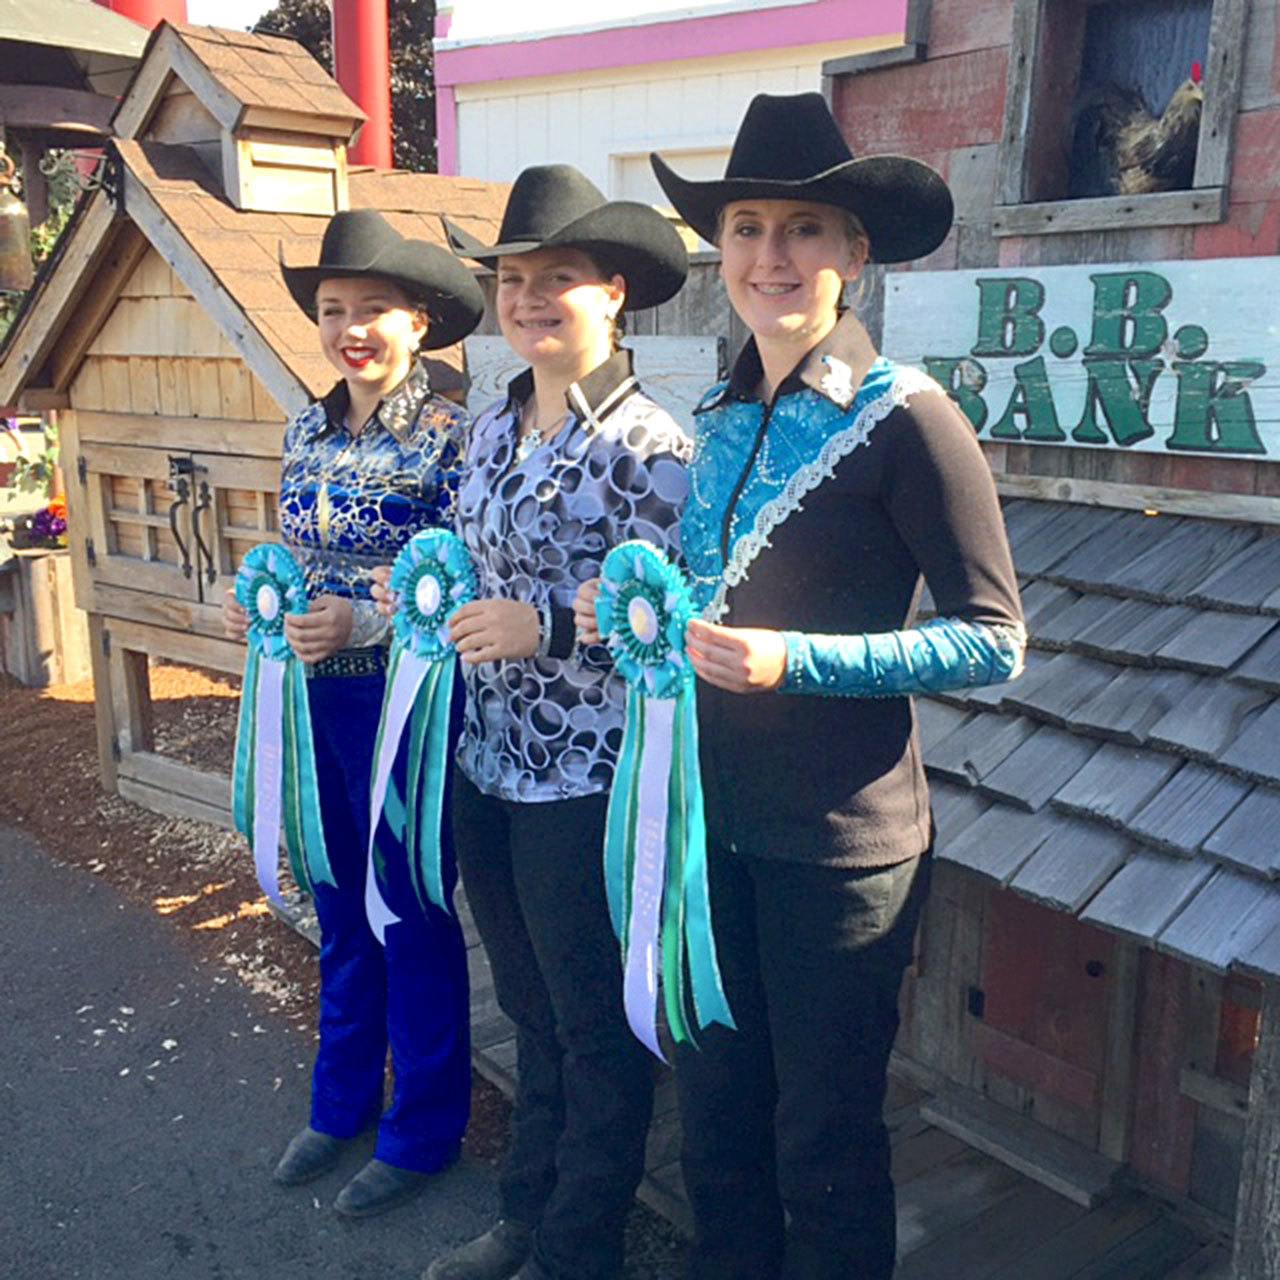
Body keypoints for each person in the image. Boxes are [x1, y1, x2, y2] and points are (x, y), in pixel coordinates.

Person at [576, 93, 1026, 1280]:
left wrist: (798, 660)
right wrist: (621, 614)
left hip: (840, 847)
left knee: (820, 1139)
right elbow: (692, 594)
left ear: (853, 254)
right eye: (746, 230)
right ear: (717, 252)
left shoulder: (910, 422)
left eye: (802, 230)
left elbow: (992, 639)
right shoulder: (713, 413)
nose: (770, 257)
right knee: (717, 1117)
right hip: (703, 832)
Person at [375, 164, 690, 1280]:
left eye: (555, 278)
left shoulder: (652, 447)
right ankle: (524, 1214)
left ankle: (575, 1246)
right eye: (511, 278)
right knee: (524, 1002)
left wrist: (549, 625)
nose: (525, 298)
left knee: (592, 1024)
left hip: (587, 775)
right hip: (485, 757)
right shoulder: (488, 424)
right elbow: (475, 564)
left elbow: (672, 618)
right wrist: (423, 594)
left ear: (614, 292)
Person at [222, 209, 485, 1218]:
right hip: (313, 700)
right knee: (335, 903)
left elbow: (468, 572)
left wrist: (365, 618)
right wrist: (280, 609)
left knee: (408, 910)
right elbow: (292, 553)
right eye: (334, 309)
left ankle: (420, 1130)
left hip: (409, 704)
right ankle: (339, 1105)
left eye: (372, 307)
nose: (350, 327)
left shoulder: (459, 434)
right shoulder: (303, 424)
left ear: (419, 320)